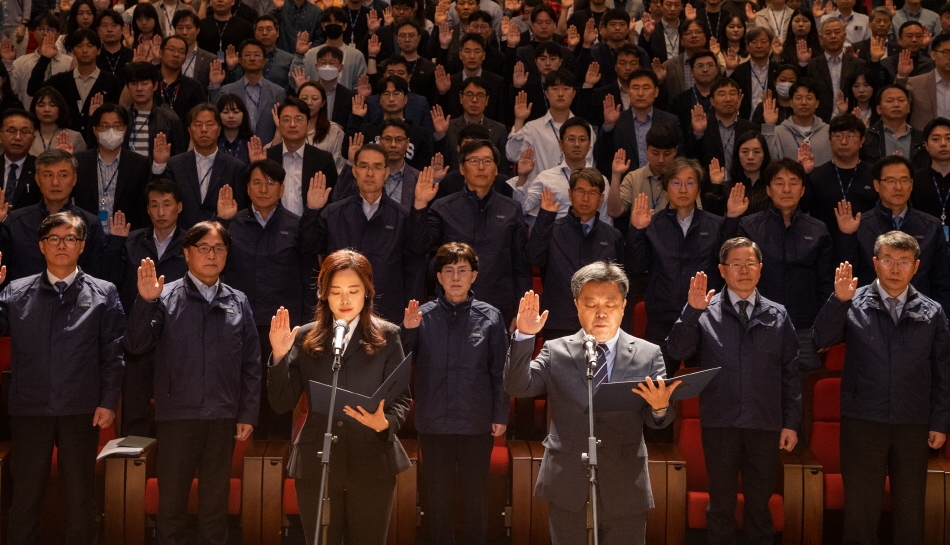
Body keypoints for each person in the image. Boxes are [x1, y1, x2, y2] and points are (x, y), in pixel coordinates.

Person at [505, 262, 679, 543]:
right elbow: (517, 386)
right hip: (568, 478)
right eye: (591, 303)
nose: (601, 313)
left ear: (624, 306)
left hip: (625, 480)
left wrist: (659, 406)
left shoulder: (648, 354)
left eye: (610, 304)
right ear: (576, 305)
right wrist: (525, 336)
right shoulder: (555, 350)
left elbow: (658, 419)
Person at [124, 220, 260, 545]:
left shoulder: (238, 301)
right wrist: (144, 302)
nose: (211, 255)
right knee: (171, 506)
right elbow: (135, 346)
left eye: (219, 248)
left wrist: (247, 413)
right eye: (203, 248)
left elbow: (252, 364)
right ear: (186, 254)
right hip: (177, 417)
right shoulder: (163, 296)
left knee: (215, 508)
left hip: (222, 417)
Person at [267, 250, 412, 545]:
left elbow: (401, 399)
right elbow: (282, 403)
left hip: (372, 458)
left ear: (367, 293)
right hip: (318, 460)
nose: (345, 301)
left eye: (353, 291)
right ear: (324, 295)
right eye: (336, 292)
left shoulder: (388, 336)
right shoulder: (306, 338)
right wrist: (280, 356)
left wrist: (384, 423)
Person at [814, 233, 950, 545]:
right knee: (861, 512)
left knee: (910, 509)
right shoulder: (852, 300)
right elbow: (821, 340)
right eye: (888, 260)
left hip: (912, 422)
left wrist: (940, 423)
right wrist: (839, 301)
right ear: (875, 263)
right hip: (863, 420)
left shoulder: (933, 312)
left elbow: (942, 371)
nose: (895, 268)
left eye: (903, 262)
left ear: (916, 267)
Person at [666, 237, 802, 545]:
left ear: (760, 269)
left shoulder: (777, 314)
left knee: (759, 509)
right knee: (721, 506)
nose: (743, 270)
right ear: (722, 271)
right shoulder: (704, 310)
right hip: (720, 423)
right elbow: (677, 349)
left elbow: (790, 374)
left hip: (764, 424)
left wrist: (791, 423)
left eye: (749, 264)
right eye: (735, 264)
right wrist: (691, 311)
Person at [1, 211, 125, 545]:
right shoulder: (14, 292)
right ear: (41, 246)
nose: (61, 245)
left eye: (70, 238)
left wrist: (107, 401)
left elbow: (113, 353)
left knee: (82, 498)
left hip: (81, 409)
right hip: (30, 410)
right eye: (53, 238)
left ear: (82, 246)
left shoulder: (104, 292)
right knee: (25, 498)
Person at [400, 242, 508, 545]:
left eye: (463, 270)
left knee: (476, 499)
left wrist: (500, 413)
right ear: (439, 276)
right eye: (449, 270)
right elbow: (398, 364)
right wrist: (407, 331)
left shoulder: (491, 317)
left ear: (474, 276)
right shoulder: (422, 315)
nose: (456, 277)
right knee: (437, 500)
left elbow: (499, 369)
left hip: (477, 422)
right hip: (434, 422)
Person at [217, 159, 317, 440]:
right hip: (239, 323)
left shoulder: (296, 226)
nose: (263, 189)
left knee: (278, 390)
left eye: (270, 183)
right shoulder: (232, 225)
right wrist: (223, 221)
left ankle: (274, 454)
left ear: (282, 189)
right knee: (242, 386)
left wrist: (305, 325)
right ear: (247, 189)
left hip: (281, 328)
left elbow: (309, 277)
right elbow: (214, 266)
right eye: (257, 183)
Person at [625, 157, 747, 375]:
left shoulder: (715, 224)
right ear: (665, 188)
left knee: (707, 390)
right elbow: (636, 266)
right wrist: (636, 230)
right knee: (658, 389)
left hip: (706, 320)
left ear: (699, 188)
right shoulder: (652, 224)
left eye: (690, 183)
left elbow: (727, 263)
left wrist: (732, 219)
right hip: (662, 321)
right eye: (676, 183)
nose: (683, 189)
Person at [411, 139, 531, 325]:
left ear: (497, 169)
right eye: (474, 161)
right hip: (451, 305)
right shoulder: (443, 207)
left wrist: (520, 310)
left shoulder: (511, 208)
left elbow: (520, 266)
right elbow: (418, 247)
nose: (481, 167)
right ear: (461, 168)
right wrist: (420, 205)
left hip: (499, 306)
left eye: (487, 161)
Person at [307, 143, 425, 323]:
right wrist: (312, 211)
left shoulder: (402, 216)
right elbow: (308, 251)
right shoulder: (333, 214)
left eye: (377, 167)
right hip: (341, 311)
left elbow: (414, 263)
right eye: (364, 166)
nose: (370, 173)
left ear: (386, 173)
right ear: (354, 171)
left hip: (388, 312)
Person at [107, 179, 188, 437]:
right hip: (137, 333)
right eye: (154, 205)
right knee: (135, 406)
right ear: (148, 209)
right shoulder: (130, 242)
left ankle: (172, 453)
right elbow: (112, 283)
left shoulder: (192, 244)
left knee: (176, 408)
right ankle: (134, 460)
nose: (161, 212)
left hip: (177, 336)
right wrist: (114, 245)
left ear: (179, 207)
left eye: (167, 205)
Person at [738, 158, 832, 372]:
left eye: (793, 182)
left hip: (806, 329)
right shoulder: (749, 227)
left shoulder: (818, 230)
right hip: (758, 326)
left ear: (802, 190)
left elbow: (825, 284)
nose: (787, 189)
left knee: (803, 398)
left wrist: (825, 329)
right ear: (769, 190)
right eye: (779, 183)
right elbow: (738, 281)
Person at [835, 155, 950, 313]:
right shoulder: (860, 224)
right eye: (890, 181)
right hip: (870, 313)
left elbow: (941, 282)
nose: (898, 187)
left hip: (919, 315)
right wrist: (847, 236)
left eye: (904, 180)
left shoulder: (931, 226)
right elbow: (848, 275)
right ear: (876, 185)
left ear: (911, 184)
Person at [527, 169, 624, 339]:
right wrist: (545, 218)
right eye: (580, 191)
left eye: (592, 192)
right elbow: (533, 257)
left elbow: (621, 285)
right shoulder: (552, 229)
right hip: (559, 320)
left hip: (600, 322)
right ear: (570, 194)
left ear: (601, 198)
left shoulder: (612, 236)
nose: (585, 198)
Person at [1, 149, 110, 282]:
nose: (55, 183)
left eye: (63, 175)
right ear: (37, 179)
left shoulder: (90, 222)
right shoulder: (16, 221)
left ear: (74, 179)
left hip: (75, 298)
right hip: (24, 298)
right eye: (48, 175)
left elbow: (95, 274)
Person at [151, 104, 248, 229]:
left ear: (219, 130)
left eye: (209, 124)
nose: (203, 129)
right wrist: (159, 164)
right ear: (189, 131)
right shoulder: (175, 164)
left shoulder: (236, 167)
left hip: (221, 235)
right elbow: (159, 196)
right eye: (197, 125)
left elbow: (242, 209)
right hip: (183, 236)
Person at [27, 29, 124, 146]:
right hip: (65, 143)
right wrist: (45, 58)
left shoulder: (111, 81)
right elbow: (33, 89)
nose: (84, 50)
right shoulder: (61, 80)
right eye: (79, 46)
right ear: (72, 50)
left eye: (89, 46)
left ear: (98, 50)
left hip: (98, 146)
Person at [73, 103, 152, 233]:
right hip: (86, 236)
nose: (111, 131)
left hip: (126, 237)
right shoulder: (79, 162)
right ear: (95, 130)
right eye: (105, 126)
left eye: (117, 126)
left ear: (125, 130)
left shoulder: (139, 164)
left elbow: (143, 208)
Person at [514, 117, 610, 222]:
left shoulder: (601, 180)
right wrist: (522, 176)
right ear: (560, 144)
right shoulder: (546, 178)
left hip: (590, 236)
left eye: (582, 139)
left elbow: (605, 220)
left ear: (589, 144)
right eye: (571, 139)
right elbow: (521, 209)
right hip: (555, 236)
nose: (577, 144)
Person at [507, 70, 593, 183]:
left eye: (566, 89)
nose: (561, 93)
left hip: (575, 193)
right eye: (555, 89)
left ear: (573, 94)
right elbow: (513, 155)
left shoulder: (586, 129)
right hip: (541, 193)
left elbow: (589, 164)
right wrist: (519, 120)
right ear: (547, 94)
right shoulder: (533, 128)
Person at [595, 69, 681, 174]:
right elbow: (599, 156)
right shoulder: (616, 120)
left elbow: (680, 158)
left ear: (656, 92)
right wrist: (609, 125)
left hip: (662, 183)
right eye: (635, 88)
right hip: (624, 183)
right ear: (628, 91)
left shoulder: (670, 121)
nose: (640, 93)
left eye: (646, 88)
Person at [685, 77, 760, 195]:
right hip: (711, 190)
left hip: (744, 189)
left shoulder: (751, 128)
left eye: (732, 94)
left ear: (739, 98)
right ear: (712, 101)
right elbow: (690, 157)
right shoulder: (702, 126)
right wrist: (698, 133)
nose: (728, 99)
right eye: (721, 94)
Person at [805, 113, 876, 234]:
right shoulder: (815, 176)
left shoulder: (874, 175)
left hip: (866, 243)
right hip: (824, 244)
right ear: (829, 139)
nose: (843, 142)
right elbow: (803, 208)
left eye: (851, 136)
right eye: (837, 136)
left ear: (862, 140)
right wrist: (803, 175)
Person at [209, 39, 287, 145]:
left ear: (265, 61)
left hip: (268, 148)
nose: (252, 59)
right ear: (240, 60)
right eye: (247, 55)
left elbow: (281, 123)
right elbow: (215, 116)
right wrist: (215, 86)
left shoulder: (278, 92)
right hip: (235, 148)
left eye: (257, 55)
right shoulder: (227, 90)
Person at [433, 76, 509, 175]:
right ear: (461, 98)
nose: (474, 100)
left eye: (480, 95)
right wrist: (440, 134)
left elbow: (503, 168)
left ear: (487, 100)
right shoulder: (448, 127)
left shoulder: (499, 129)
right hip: (454, 184)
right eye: (469, 94)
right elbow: (441, 160)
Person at [606, 124, 679, 223]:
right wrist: (616, 175)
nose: (661, 160)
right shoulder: (633, 177)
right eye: (655, 153)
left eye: (667, 154)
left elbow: (696, 213)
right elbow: (614, 212)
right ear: (646, 150)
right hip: (639, 236)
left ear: (675, 151)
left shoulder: (684, 179)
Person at [4, 13, 72, 109]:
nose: (45, 33)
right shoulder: (20, 63)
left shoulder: (69, 62)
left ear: (58, 34)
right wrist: (7, 63)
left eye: (50, 30)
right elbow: (12, 90)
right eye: (41, 29)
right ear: (34, 33)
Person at [805, 18, 866, 124]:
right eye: (828, 33)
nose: (833, 36)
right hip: (819, 121)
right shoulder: (812, 65)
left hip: (851, 120)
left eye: (837, 32)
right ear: (821, 38)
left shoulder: (858, 64)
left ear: (844, 35)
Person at [291, 9, 367, 93]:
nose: (333, 25)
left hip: (345, 103)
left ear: (344, 26)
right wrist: (299, 55)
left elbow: (359, 87)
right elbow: (294, 81)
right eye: (328, 22)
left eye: (337, 22)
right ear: (323, 26)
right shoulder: (310, 54)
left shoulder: (356, 56)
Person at [123, 60, 186, 159]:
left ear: (155, 85)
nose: (139, 88)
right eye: (134, 83)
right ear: (127, 86)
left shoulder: (170, 119)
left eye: (144, 83)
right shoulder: (121, 117)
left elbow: (178, 158)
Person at [761, 78, 831, 166]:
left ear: (817, 103)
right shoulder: (779, 131)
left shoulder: (828, 131)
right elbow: (770, 160)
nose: (804, 102)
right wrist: (769, 125)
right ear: (791, 103)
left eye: (809, 98)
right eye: (798, 98)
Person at [861, 84, 925, 168]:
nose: (896, 105)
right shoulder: (867, 137)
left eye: (901, 100)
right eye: (890, 101)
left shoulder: (922, 139)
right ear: (879, 109)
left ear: (908, 108)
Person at [153, 35, 207, 127]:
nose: (176, 55)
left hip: (183, 138)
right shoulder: (150, 81)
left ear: (185, 58)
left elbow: (201, 117)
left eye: (181, 52)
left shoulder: (194, 86)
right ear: (161, 53)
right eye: (171, 50)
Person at [907, 33, 950, 132]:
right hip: (923, 142)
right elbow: (898, 106)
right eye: (946, 52)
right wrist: (901, 77)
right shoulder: (915, 84)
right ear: (933, 55)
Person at [913, 118, 950, 230]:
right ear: (926, 146)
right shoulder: (915, 180)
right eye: (936, 139)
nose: (943, 144)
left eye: (948, 138)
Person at [29, 87, 87, 156]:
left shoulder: (74, 137)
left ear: (60, 108)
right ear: (34, 109)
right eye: (41, 105)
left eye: (52, 105)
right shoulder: (27, 135)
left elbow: (82, 164)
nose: (46, 109)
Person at [0, 108, 39, 210]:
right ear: (0, 136)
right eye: (11, 131)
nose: (17, 137)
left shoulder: (40, 168)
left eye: (25, 132)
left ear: (33, 139)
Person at [171, 11, 216, 89]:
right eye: (180, 28)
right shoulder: (169, 56)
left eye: (188, 27)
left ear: (197, 30)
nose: (184, 32)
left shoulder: (209, 59)